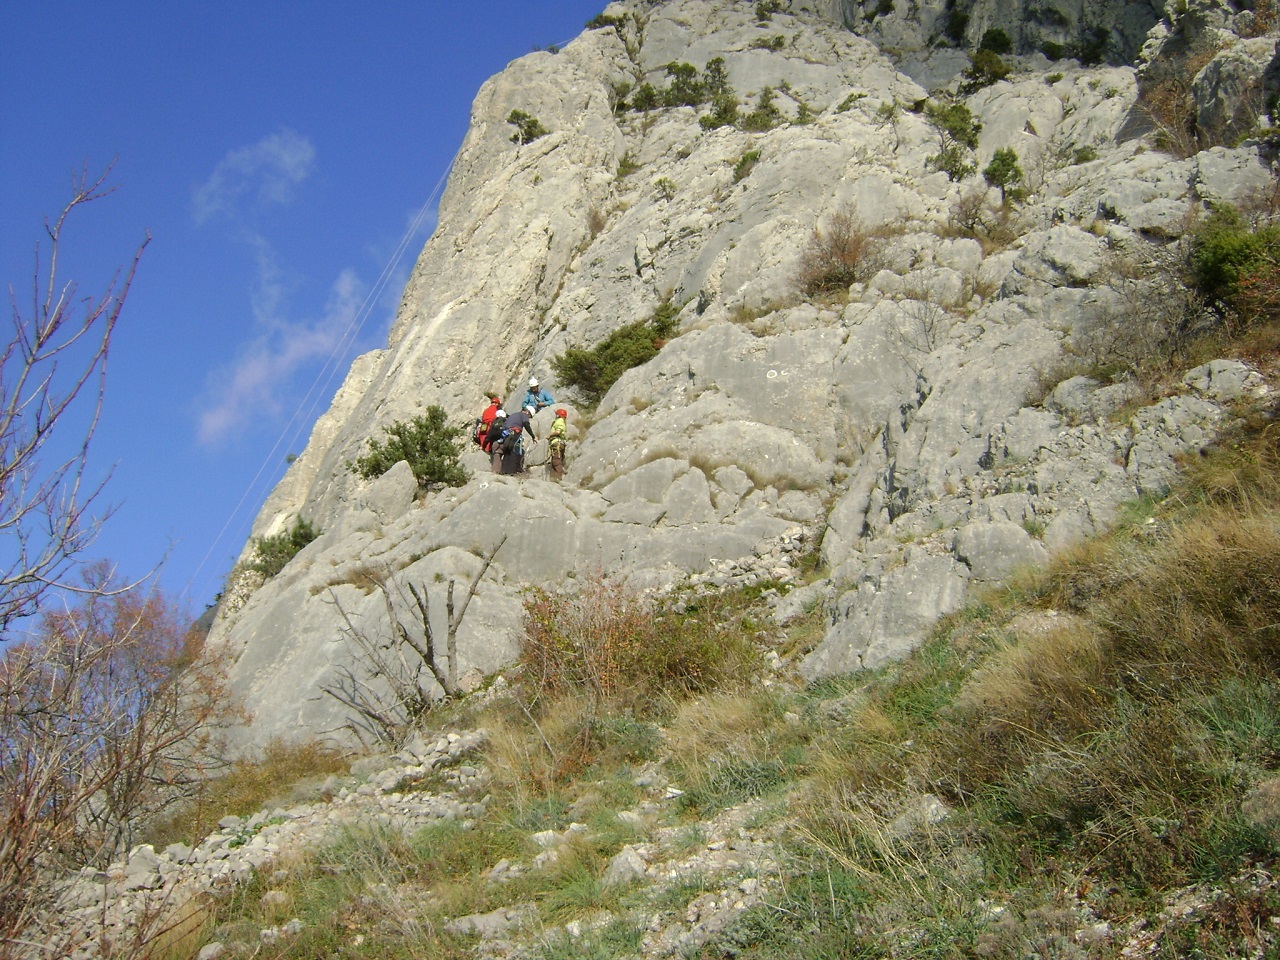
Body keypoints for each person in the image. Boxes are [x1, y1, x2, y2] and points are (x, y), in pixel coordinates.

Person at [499, 405, 536, 475]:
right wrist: (533, 436)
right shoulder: (524, 415)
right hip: (515, 433)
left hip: (506, 434)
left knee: (507, 451)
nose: (529, 418)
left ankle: (504, 470)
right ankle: (511, 471)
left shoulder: (514, 415)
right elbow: (526, 424)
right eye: (530, 416)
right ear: (528, 412)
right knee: (515, 451)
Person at [484, 408, 507, 473]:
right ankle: (506, 471)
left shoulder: (494, 424)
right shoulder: (508, 421)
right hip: (507, 442)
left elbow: (488, 437)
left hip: (496, 444)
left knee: (497, 456)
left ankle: (496, 472)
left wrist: (483, 446)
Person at [548, 407, 568, 480]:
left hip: (557, 443)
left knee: (556, 461)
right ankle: (553, 478)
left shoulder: (559, 421)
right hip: (559, 443)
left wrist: (549, 435)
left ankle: (558, 478)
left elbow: (558, 431)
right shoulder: (562, 421)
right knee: (555, 461)